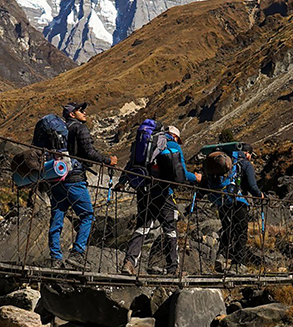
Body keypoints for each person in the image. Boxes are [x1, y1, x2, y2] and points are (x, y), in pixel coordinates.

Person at [122, 125, 201, 275]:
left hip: (143, 191)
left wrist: (121, 182)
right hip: (163, 193)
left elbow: (131, 164)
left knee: (143, 226)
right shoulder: (172, 145)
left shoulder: (146, 144)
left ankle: (129, 262)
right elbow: (181, 173)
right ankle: (173, 268)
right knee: (170, 229)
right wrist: (196, 178)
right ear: (175, 136)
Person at [48, 102, 116, 269]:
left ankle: (55, 257)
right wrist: (108, 160)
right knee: (87, 216)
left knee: (57, 216)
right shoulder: (80, 128)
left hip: (57, 177)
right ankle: (77, 254)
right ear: (72, 114)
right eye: (80, 110)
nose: (85, 112)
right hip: (75, 178)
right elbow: (89, 153)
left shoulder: (57, 129)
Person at [201, 144, 263, 273]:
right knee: (240, 231)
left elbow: (205, 182)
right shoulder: (244, 163)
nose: (250, 157)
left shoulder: (223, 162)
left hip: (221, 201)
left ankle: (221, 256)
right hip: (239, 202)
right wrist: (260, 195)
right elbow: (252, 185)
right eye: (250, 155)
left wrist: (198, 197)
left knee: (227, 229)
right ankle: (237, 265)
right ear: (247, 153)